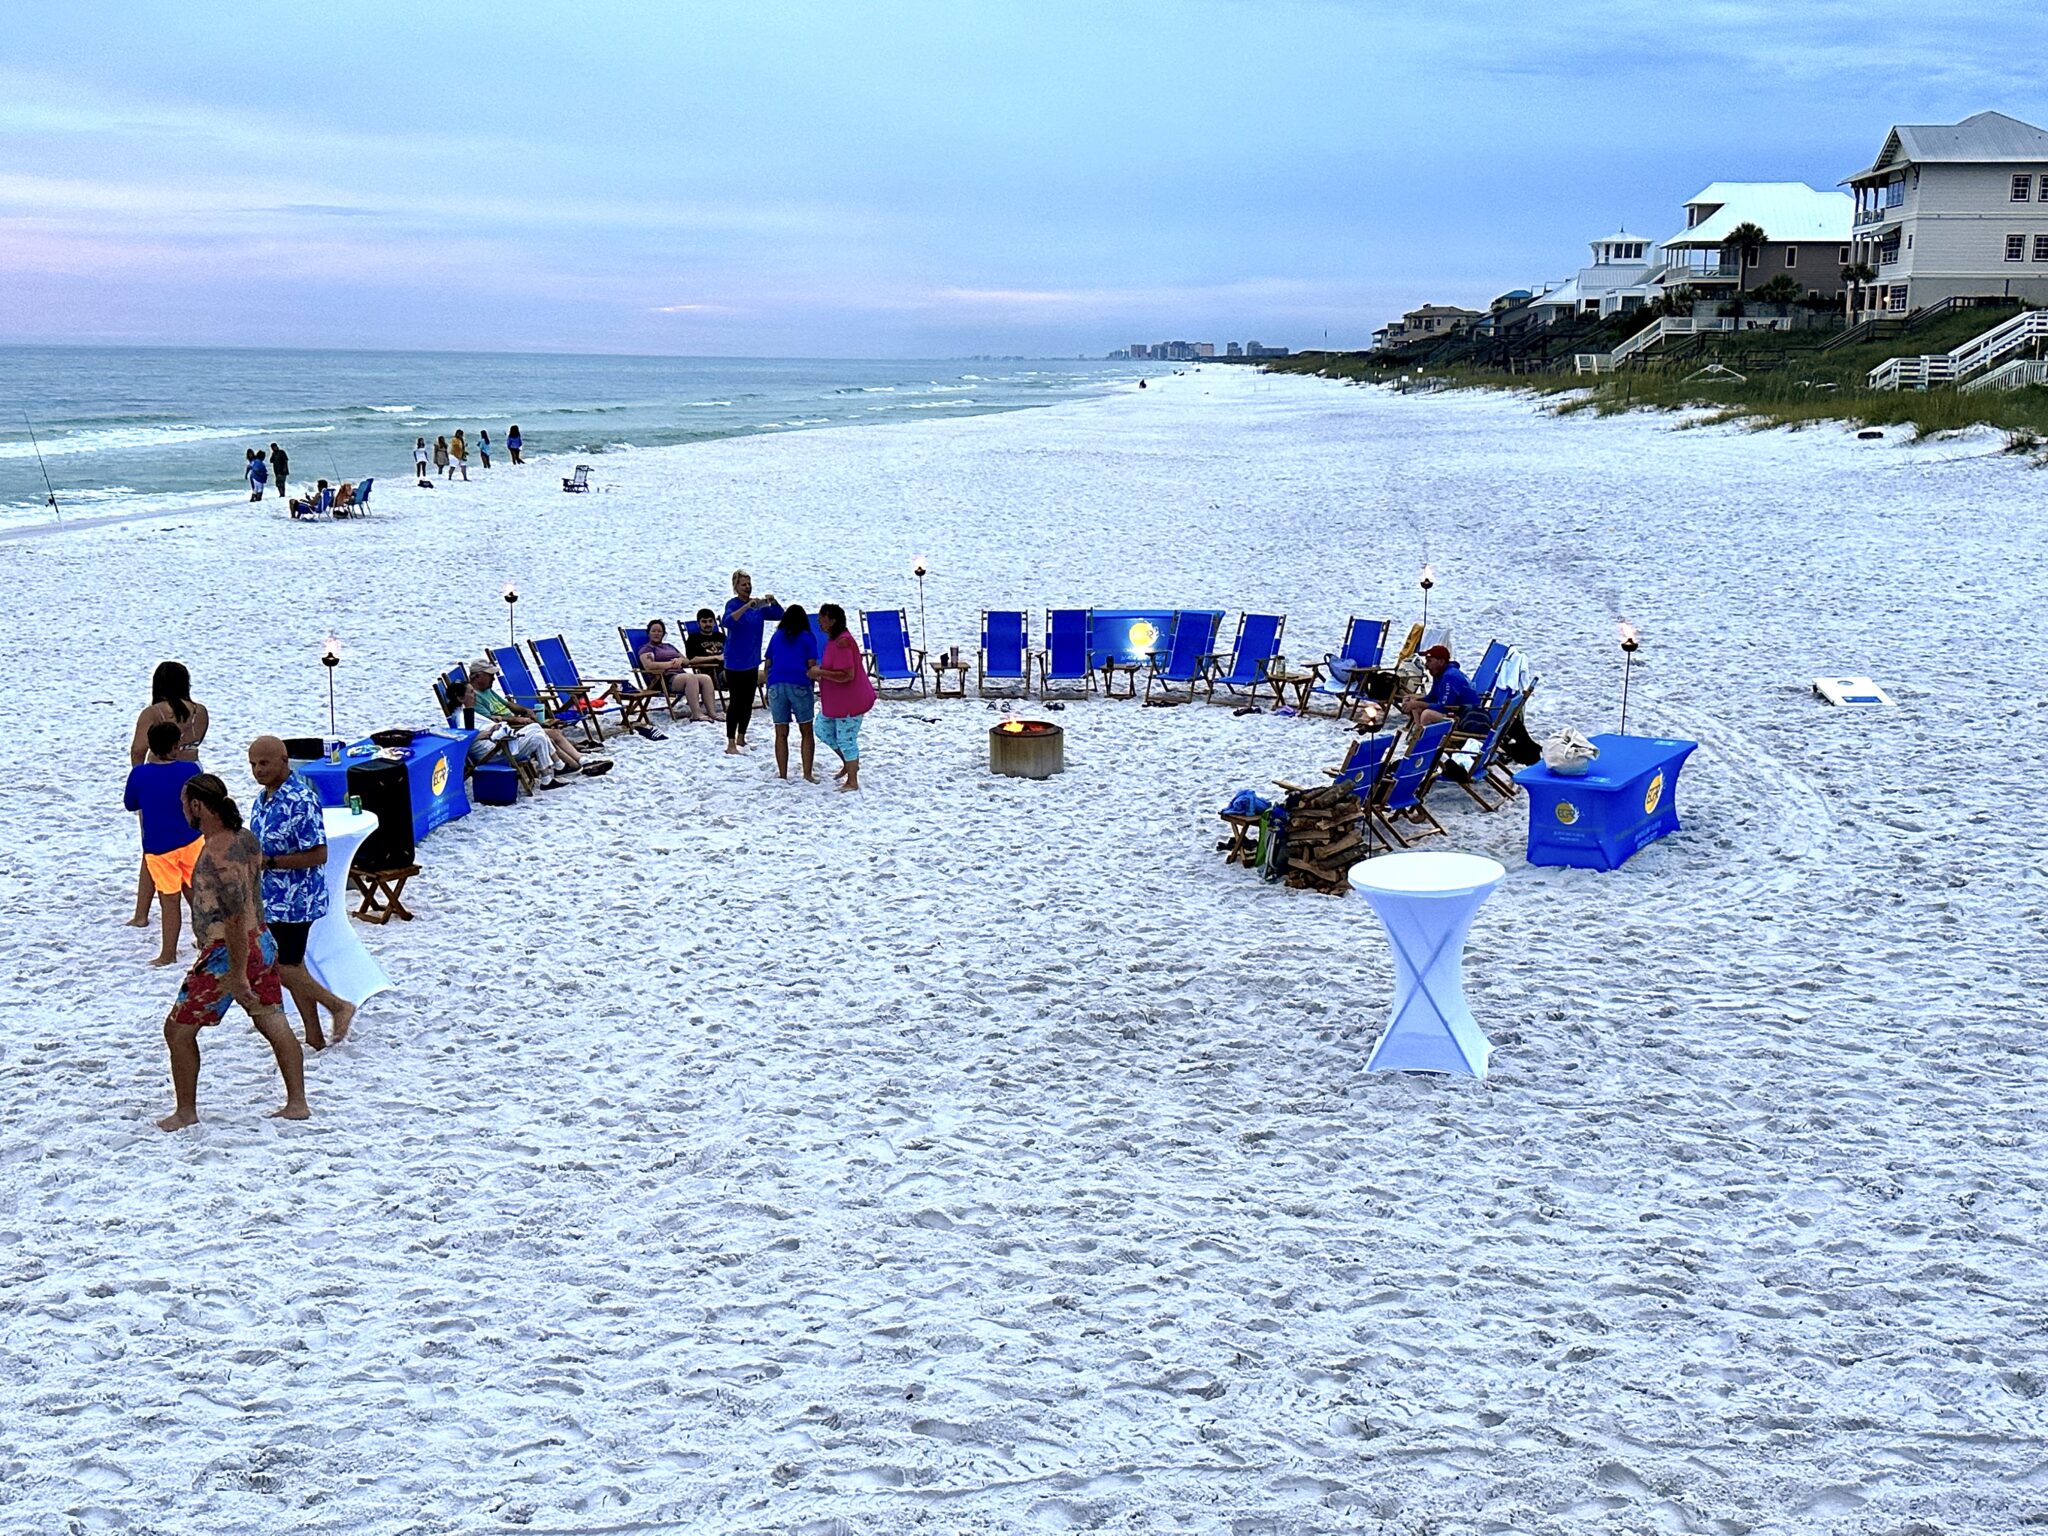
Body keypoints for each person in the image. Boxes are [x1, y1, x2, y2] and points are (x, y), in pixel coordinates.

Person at [156, 774, 308, 1131]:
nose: (182, 810)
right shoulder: (246, 839)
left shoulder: (215, 855)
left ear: (197, 806)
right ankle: (297, 1103)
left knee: (177, 1032)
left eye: (184, 804)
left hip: (229, 954)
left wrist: (237, 974)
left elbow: (235, 918)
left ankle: (185, 1112)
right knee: (273, 1022)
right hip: (263, 942)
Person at [247, 736, 357, 1051]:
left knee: (284, 967)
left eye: (264, 763)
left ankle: (338, 1005)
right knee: (294, 967)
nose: (258, 770)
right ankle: (314, 1035)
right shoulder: (262, 799)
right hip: (271, 898)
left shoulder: (301, 799)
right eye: (253, 764)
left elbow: (319, 853)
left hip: (298, 899)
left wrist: (271, 862)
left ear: (284, 760)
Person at [128, 662, 209, 927]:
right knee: (189, 838)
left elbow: (138, 749)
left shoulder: (153, 713)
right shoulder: (201, 712)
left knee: (153, 843)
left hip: (158, 774)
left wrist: (140, 778)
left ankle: (141, 914)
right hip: (193, 771)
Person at [125, 721, 203, 964]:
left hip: (159, 847)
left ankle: (168, 954)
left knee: (169, 900)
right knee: (197, 894)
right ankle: (206, 941)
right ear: (176, 746)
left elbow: (131, 804)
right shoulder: (190, 770)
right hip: (191, 840)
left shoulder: (139, 774)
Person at [466, 661, 613, 784]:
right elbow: (491, 720)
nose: (494, 678)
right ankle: (574, 765)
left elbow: (509, 705)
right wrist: (517, 719)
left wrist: (526, 710)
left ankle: (582, 762)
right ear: (478, 676)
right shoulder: (474, 699)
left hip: (516, 725)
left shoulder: (487, 690)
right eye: (490, 675)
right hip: (509, 731)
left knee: (551, 734)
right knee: (548, 735)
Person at [811, 603, 877, 791]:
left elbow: (848, 674)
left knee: (847, 739)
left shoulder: (843, 642)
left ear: (832, 621)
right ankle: (850, 764)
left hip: (850, 701)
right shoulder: (834, 640)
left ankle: (852, 781)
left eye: (822, 619)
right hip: (836, 701)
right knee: (822, 729)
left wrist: (821, 673)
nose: (819, 623)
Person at [720, 570, 782, 755]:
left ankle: (741, 737)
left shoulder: (758, 606)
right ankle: (730, 742)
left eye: (748, 584)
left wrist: (773, 601)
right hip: (734, 661)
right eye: (743, 585)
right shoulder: (733, 604)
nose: (747, 587)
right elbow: (727, 621)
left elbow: (780, 614)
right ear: (736, 587)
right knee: (736, 701)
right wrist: (747, 606)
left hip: (752, 659)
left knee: (747, 701)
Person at [763, 605, 820, 782]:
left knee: (780, 733)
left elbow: (768, 664)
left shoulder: (777, 636)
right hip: (799, 684)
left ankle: (782, 773)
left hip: (776, 685)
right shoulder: (807, 637)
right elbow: (811, 664)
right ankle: (807, 774)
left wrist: (768, 686)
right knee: (806, 731)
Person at [636, 618, 720, 723]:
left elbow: (686, 661)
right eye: (653, 631)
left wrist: (680, 660)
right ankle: (696, 714)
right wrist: (670, 664)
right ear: (648, 633)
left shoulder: (669, 646)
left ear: (663, 634)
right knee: (690, 678)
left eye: (659, 631)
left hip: (680, 676)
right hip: (663, 679)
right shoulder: (647, 649)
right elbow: (649, 666)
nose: (656, 634)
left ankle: (712, 713)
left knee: (705, 678)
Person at [1397, 645, 1489, 733]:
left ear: (1441, 661)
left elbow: (1444, 707)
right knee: (1416, 706)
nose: (1426, 665)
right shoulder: (1439, 674)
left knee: (1427, 715)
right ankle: (1418, 735)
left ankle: (1424, 740)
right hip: (1454, 710)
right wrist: (1414, 700)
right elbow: (1432, 698)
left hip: (1464, 717)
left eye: (1429, 661)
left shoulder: (1449, 677)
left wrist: (1418, 703)